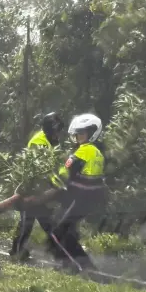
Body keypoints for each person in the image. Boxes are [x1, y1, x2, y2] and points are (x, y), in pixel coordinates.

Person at [46, 112, 108, 271]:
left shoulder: (83, 151)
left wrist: (52, 182)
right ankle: (85, 266)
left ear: (91, 133)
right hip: (92, 198)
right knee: (68, 232)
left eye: (82, 133)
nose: (79, 136)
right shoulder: (97, 153)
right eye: (78, 133)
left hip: (81, 198)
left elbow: (64, 172)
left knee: (58, 232)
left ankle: (70, 265)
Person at [9, 112, 65, 261]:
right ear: (50, 130)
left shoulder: (51, 141)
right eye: (57, 131)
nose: (59, 134)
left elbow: (54, 165)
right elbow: (40, 169)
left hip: (43, 191)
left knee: (46, 223)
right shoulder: (39, 142)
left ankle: (18, 250)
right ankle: (17, 252)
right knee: (28, 223)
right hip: (33, 190)